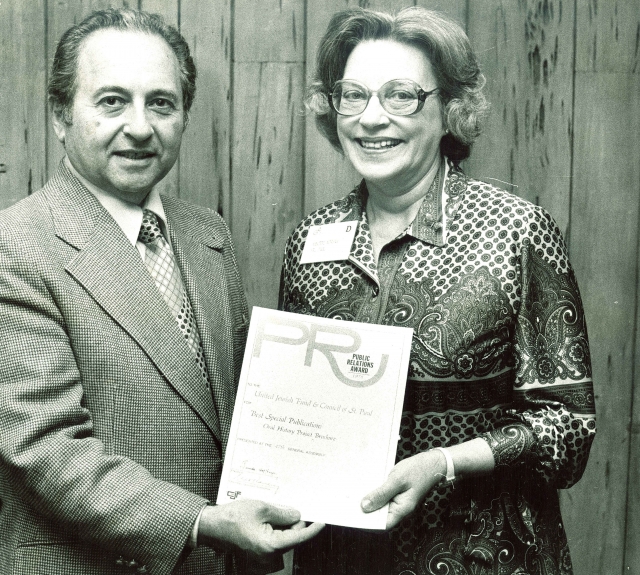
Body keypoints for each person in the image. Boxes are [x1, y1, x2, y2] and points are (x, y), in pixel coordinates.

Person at [0, 8, 322, 575]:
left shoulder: (206, 233)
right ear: (59, 115)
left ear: (184, 117)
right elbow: (46, 450)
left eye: (161, 103)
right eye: (111, 102)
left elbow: (245, 408)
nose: (141, 127)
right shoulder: (17, 245)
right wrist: (202, 522)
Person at [279, 7, 595, 575]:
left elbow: (569, 430)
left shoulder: (515, 231)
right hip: (339, 558)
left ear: (451, 109)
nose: (371, 118)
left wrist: (446, 463)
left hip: (483, 555)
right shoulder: (308, 241)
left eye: (401, 96)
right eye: (353, 95)